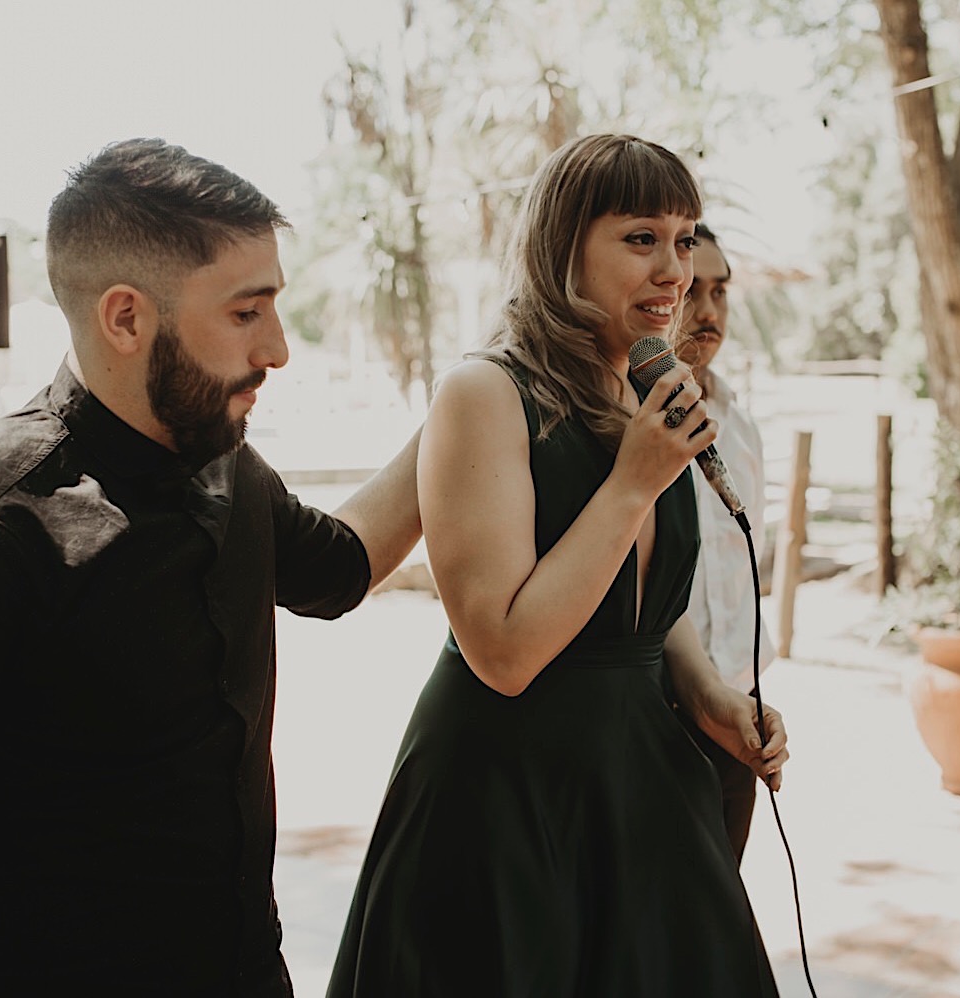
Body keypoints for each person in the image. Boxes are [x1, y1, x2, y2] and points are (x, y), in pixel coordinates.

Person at [0, 138, 422, 997]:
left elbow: (341, 565)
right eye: (245, 313)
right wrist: (18, 907)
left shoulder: (226, 465)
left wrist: (469, 404)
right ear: (125, 317)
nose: (277, 348)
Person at [327, 134, 786, 997]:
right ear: (564, 245)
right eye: (642, 238)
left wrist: (708, 695)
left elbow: (646, 606)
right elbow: (502, 652)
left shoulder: (645, 389)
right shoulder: (485, 393)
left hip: (642, 782)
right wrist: (632, 484)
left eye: (684, 239)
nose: (675, 271)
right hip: (506, 797)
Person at [675, 221, 777, 865]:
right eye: (692, 292)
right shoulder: (620, 425)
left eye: (720, 292)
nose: (708, 311)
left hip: (736, 718)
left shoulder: (740, 428)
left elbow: (747, 566)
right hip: (657, 714)